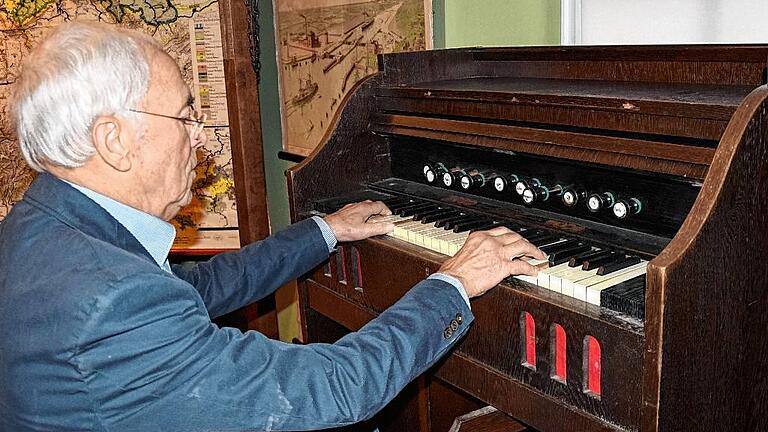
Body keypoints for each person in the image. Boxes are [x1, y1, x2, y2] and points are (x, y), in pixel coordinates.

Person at [0, 22, 544, 431]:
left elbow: (200, 289)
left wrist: (325, 230)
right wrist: (454, 281)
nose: (201, 139)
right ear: (113, 140)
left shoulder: (40, 230)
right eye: (186, 117)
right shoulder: (110, 301)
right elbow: (334, 387)